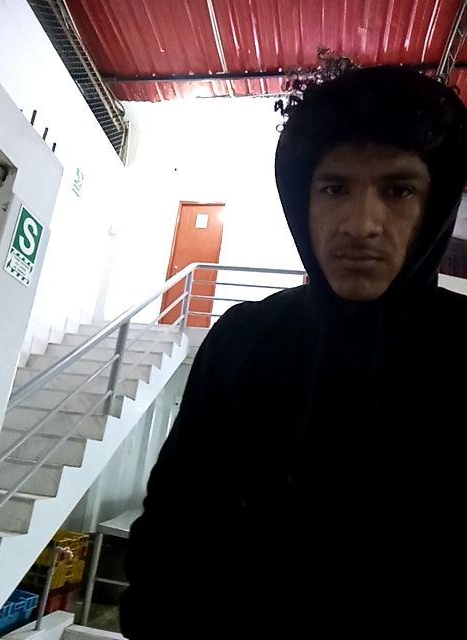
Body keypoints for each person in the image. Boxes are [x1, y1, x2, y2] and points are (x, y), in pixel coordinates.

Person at [120, 66, 467, 636]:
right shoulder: (242, 338)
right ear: (301, 199)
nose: (361, 225)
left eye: (398, 190)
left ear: (435, 206)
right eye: (334, 188)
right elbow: (172, 521)